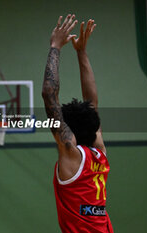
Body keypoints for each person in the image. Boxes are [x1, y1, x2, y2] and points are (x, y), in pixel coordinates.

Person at [42, 14, 114, 232]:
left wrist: (55, 46)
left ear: (68, 131)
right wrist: (81, 52)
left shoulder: (71, 155)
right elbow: (92, 103)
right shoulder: (99, 154)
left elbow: (49, 95)